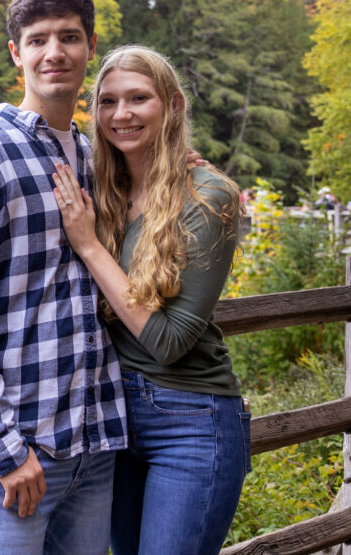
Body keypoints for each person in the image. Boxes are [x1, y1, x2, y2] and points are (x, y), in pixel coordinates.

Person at [0, 0, 126, 554]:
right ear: (17, 53)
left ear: (90, 46)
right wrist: (5, 451)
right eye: (37, 40)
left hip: (93, 449)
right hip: (13, 459)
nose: (54, 52)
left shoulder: (94, 157)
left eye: (69, 37)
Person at [51, 45, 249, 555]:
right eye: (108, 101)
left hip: (191, 419)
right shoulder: (103, 189)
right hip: (109, 415)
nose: (122, 114)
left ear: (174, 105)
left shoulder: (208, 197)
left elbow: (168, 341)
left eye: (139, 98)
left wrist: (90, 246)